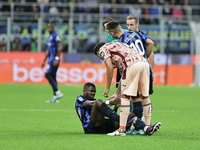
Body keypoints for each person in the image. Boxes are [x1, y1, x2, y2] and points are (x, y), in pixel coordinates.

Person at [93, 42, 161, 136]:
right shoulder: (118, 45)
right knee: (144, 97)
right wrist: (117, 92)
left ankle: (121, 130)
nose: (102, 58)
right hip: (144, 63)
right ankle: (147, 127)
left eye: (99, 57)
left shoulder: (102, 49)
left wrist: (107, 87)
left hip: (131, 65)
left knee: (125, 97)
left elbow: (109, 68)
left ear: (98, 51)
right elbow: (123, 75)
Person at [75, 82, 160, 136]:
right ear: (84, 90)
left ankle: (145, 129)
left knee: (131, 115)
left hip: (103, 126)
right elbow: (90, 104)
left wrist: (115, 107)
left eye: (94, 91)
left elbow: (108, 115)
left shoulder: (96, 102)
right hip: (91, 128)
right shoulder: (80, 99)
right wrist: (110, 102)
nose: (93, 93)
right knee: (98, 102)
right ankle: (125, 123)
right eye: (91, 91)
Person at [41, 22, 63, 103]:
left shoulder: (55, 35)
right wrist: (44, 60)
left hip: (54, 60)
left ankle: (57, 92)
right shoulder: (49, 37)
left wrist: (57, 58)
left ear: (53, 27)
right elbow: (48, 50)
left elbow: (60, 46)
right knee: (53, 76)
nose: (49, 28)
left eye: (50, 27)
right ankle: (55, 97)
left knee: (47, 74)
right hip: (50, 60)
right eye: (48, 27)